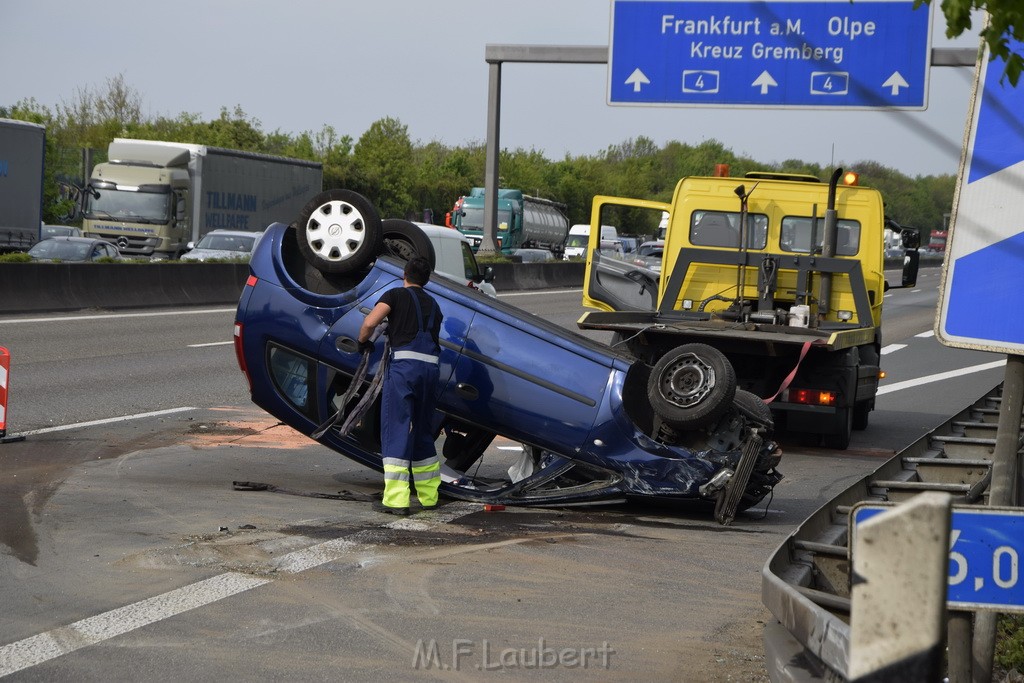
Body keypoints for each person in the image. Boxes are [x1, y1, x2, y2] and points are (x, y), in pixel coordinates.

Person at [358, 256, 443, 516]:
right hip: (430, 371)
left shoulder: (394, 295)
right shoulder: (435, 304)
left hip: (404, 369)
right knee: (422, 431)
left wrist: (363, 342)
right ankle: (429, 496)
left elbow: (370, 322)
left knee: (396, 427)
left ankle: (395, 500)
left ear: (404, 274)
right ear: (426, 279)